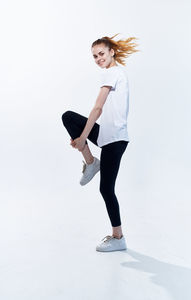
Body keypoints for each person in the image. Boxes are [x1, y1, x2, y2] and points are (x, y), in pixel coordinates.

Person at [61, 33, 139, 252]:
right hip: (107, 135)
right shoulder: (116, 73)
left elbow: (97, 108)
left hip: (115, 139)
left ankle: (118, 237)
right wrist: (82, 138)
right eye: (94, 56)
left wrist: (83, 137)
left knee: (106, 188)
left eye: (101, 54)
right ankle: (91, 162)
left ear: (112, 52)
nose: (98, 59)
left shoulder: (113, 72)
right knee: (69, 117)